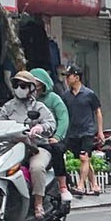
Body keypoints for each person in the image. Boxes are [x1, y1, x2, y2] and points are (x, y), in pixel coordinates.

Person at [0, 70, 56, 218]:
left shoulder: (38, 107)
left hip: (36, 148)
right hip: (12, 148)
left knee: (37, 167)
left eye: (23, 85)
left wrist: (40, 127)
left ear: (32, 88)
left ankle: (38, 203)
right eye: (17, 85)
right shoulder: (8, 107)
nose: (19, 88)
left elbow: (51, 123)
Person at [27, 67, 69, 204]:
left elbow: (63, 118)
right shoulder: (26, 100)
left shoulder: (53, 99)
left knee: (56, 149)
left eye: (38, 84)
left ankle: (63, 186)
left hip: (50, 137)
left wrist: (57, 136)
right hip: (29, 139)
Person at [61, 63, 103, 196]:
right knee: (84, 159)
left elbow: (98, 112)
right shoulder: (66, 95)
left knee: (84, 158)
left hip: (87, 131)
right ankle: (95, 185)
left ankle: (80, 186)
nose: (67, 79)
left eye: (69, 76)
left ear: (77, 77)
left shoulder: (89, 94)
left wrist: (100, 131)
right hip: (73, 132)